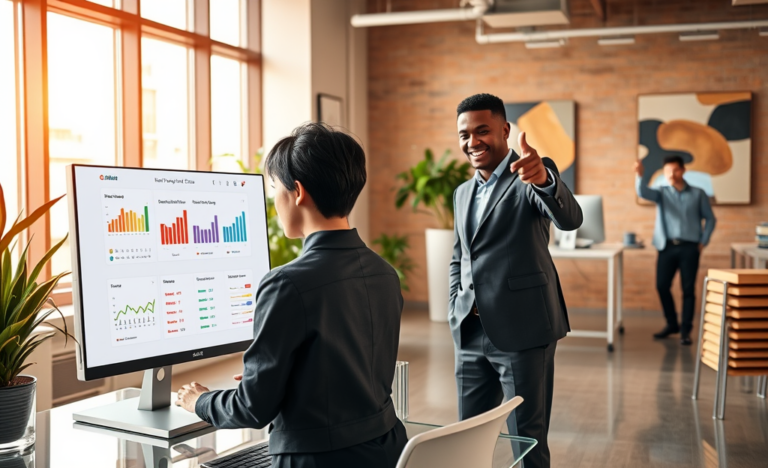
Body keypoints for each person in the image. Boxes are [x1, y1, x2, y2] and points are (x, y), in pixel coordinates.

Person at [175, 123, 408, 468]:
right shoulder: (384, 273)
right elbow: (348, 373)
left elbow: (252, 409)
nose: (274, 201)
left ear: (297, 191)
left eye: (274, 188)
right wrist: (277, 379)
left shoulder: (286, 284)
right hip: (387, 451)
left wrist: (200, 400)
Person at [449, 93, 583, 468]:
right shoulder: (462, 193)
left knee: (527, 441)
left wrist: (544, 180)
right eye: (464, 134)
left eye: (482, 131)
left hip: (523, 331)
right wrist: (454, 308)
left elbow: (570, 219)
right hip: (470, 330)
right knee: (465, 439)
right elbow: (459, 257)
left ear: (505, 130)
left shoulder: (530, 174)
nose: (472, 141)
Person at [635, 155, 716, 345]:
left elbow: (710, 218)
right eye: (667, 171)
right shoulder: (661, 192)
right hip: (666, 247)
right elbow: (642, 192)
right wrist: (639, 175)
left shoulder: (698, 193)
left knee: (688, 289)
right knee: (662, 286)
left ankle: (686, 330)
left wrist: (703, 242)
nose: (671, 174)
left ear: (683, 170)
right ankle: (672, 324)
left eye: (675, 170)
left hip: (690, 248)